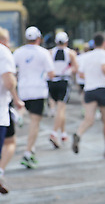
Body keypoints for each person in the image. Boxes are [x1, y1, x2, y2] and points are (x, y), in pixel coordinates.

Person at [13, 26, 54, 169]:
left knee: (23, 108)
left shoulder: (18, 52)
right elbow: (51, 73)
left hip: (23, 88)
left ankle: (18, 116)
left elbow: (13, 70)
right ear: (39, 38)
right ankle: (28, 151)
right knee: (34, 123)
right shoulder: (43, 53)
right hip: (38, 90)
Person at [72, 32, 105, 158]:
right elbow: (104, 68)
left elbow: (80, 74)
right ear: (104, 43)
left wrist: (91, 77)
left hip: (89, 89)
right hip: (103, 88)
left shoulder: (86, 56)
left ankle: (79, 133)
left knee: (89, 119)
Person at [0, 27, 24, 194]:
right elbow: (9, 81)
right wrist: (16, 98)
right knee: (10, 142)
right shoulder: (3, 52)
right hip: (0, 111)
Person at [48, 31, 78, 148]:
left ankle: (63, 133)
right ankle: (54, 133)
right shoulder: (70, 53)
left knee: (60, 109)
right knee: (61, 108)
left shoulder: (50, 52)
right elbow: (76, 67)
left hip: (52, 82)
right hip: (63, 81)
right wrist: (68, 71)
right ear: (66, 41)